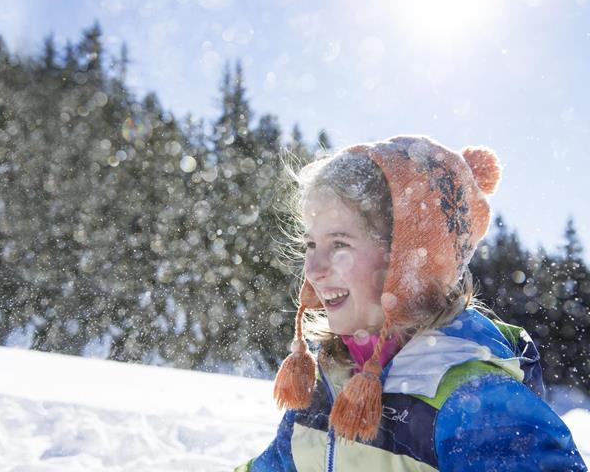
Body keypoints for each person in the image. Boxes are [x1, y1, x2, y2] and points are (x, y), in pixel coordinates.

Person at [235, 136, 586, 471]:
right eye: (311, 244)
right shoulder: (329, 379)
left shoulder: (477, 404)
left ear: (409, 264)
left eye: (339, 244)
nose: (312, 270)